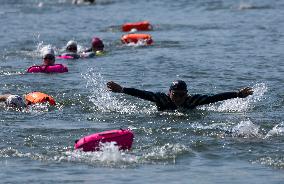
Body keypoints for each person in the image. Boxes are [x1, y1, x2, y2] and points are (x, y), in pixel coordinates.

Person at [107, 80, 254, 111]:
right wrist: (122, 89)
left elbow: (214, 98)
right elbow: (142, 94)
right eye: (175, 95)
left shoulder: (192, 101)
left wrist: (237, 94)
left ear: (187, 94)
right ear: (169, 93)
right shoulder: (161, 99)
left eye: (181, 95)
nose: (178, 98)